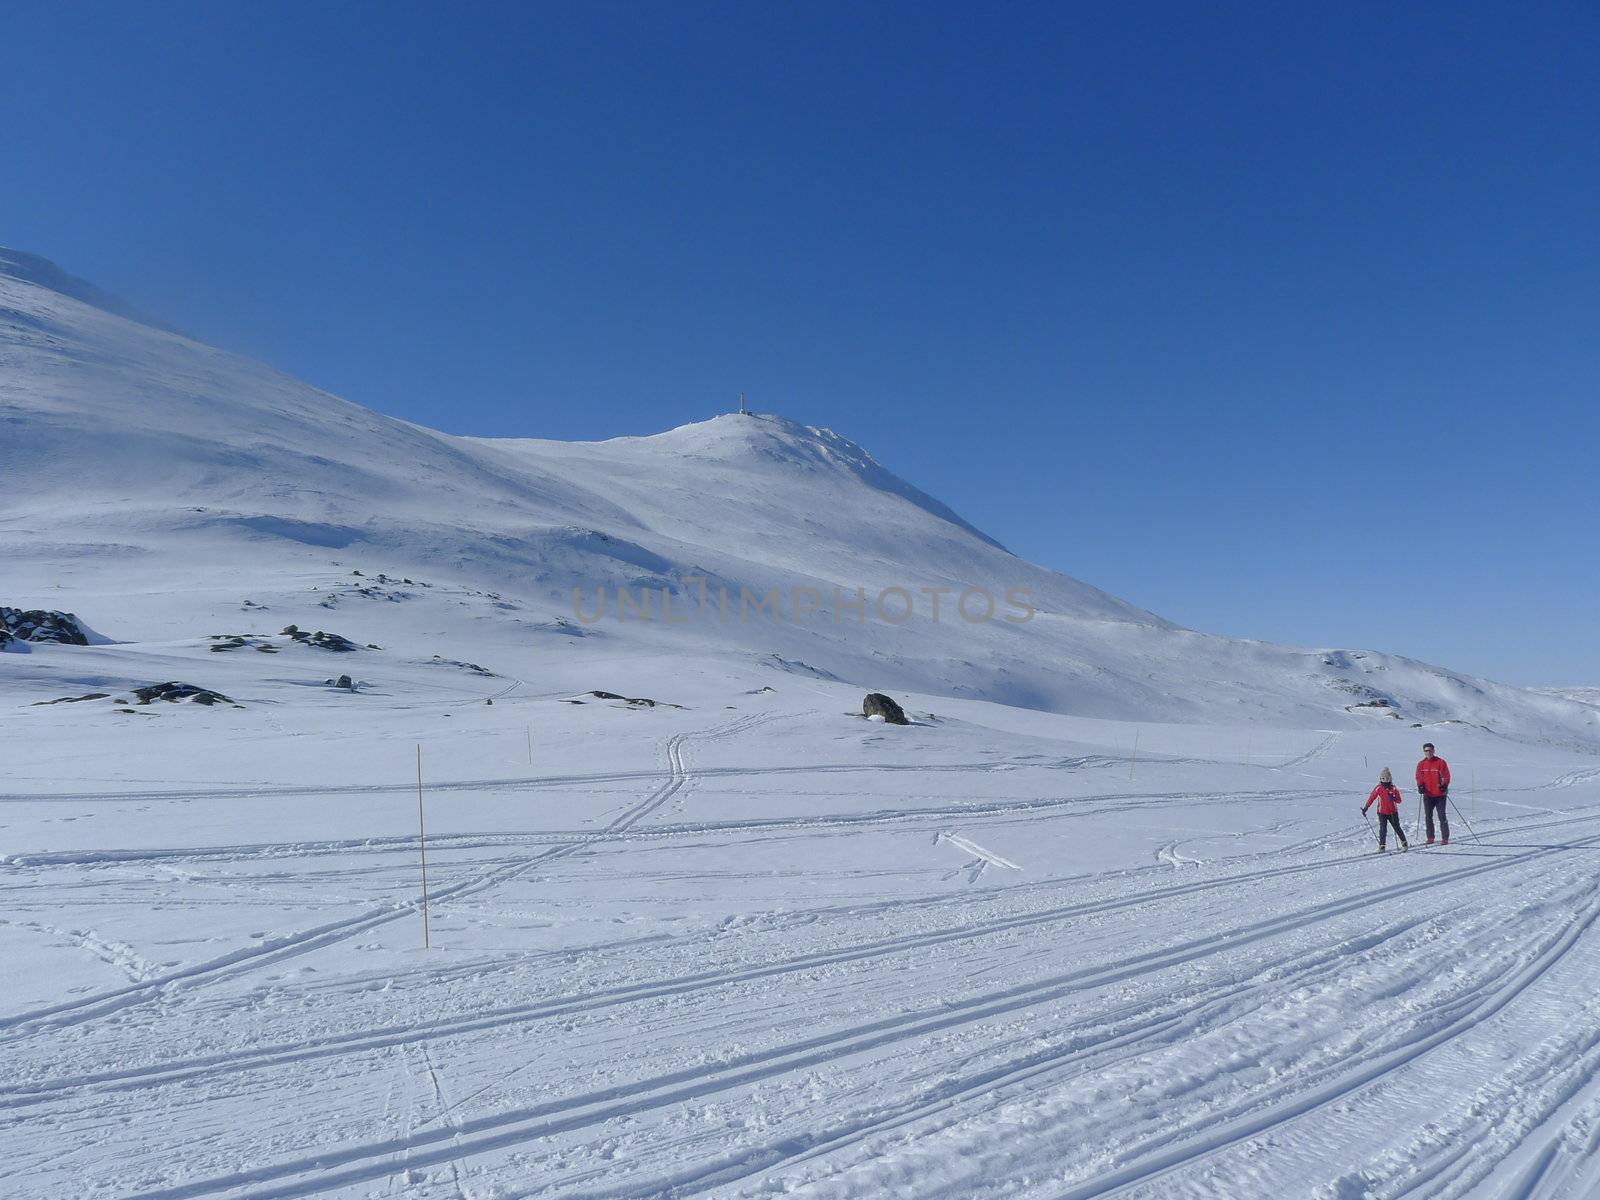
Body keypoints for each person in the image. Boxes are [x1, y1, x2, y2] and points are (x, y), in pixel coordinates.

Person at [1363, 767, 1408, 852]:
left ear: (1390, 780)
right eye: (1383, 780)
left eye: (1386, 780)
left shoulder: (1393, 788)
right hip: (1381, 812)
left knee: (1397, 827)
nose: (1384, 782)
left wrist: (1394, 798)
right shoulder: (1378, 788)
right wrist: (1366, 808)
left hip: (1392, 812)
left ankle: (1404, 843)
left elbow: (1399, 800)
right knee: (1383, 829)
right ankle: (1382, 846)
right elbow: (1371, 798)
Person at [1416, 742, 1452, 846]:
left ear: (1434, 751)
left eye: (1430, 750)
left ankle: (1445, 838)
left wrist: (1444, 785)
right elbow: (1418, 777)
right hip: (1428, 794)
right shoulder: (1421, 764)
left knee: (1441, 816)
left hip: (1440, 794)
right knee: (1428, 816)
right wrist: (1420, 786)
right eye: (1426, 750)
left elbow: (1446, 775)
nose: (1428, 752)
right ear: (1424, 752)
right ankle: (1430, 837)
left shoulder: (1440, 762)